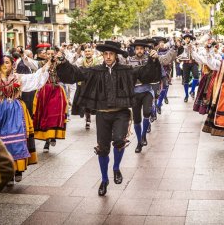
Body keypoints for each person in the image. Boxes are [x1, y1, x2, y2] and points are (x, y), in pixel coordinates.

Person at [55, 41, 161, 196]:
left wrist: (153, 60)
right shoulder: (95, 70)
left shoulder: (126, 69)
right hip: (102, 114)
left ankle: (116, 168)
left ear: (116, 55)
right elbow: (77, 72)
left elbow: (145, 73)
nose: (108, 56)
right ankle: (104, 180)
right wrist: (63, 62)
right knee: (103, 149)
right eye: (106, 54)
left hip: (121, 112)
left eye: (111, 54)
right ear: (103, 55)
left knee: (119, 140)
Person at [0, 55, 49, 182]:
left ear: (12, 65)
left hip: (15, 111)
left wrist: (46, 66)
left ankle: (18, 169)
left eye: (7, 62)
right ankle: (8, 172)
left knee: (16, 140)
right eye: (2, 63)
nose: (4, 65)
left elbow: (35, 78)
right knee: (2, 141)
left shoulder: (19, 77)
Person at [33, 48, 68, 152]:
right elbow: (31, 64)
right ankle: (47, 140)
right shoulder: (41, 63)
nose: (50, 55)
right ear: (45, 55)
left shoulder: (60, 63)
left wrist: (61, 57)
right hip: (44, 92)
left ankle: (51, 138)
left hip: (57, 91)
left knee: (54, 114)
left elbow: (68, 66)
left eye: (52, 54)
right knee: (45, 115)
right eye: (48, 54)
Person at [73, 46, 102, 129]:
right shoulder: (80, 61)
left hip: (94, 84)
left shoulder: (98, 61)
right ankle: (88, 119)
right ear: (84, 53)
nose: (87, 53)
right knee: (85, 102)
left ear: (92, 53)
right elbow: (77, 70)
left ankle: (99, 118)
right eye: (86, 51)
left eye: (89, 51)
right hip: (84, 84)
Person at [179, 34, 199, 102]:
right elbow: (180, 54)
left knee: (196, 76)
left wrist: (192, 47)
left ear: (190, 39)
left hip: (193, 63)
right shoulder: (182, 46)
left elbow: (196, 53)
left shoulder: (193, 45)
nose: (187, 39)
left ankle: (192, 90)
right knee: (186, 80)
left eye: (188, 38)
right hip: (185, 64)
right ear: (184, 39)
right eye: (186, 38)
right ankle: (186, 95)